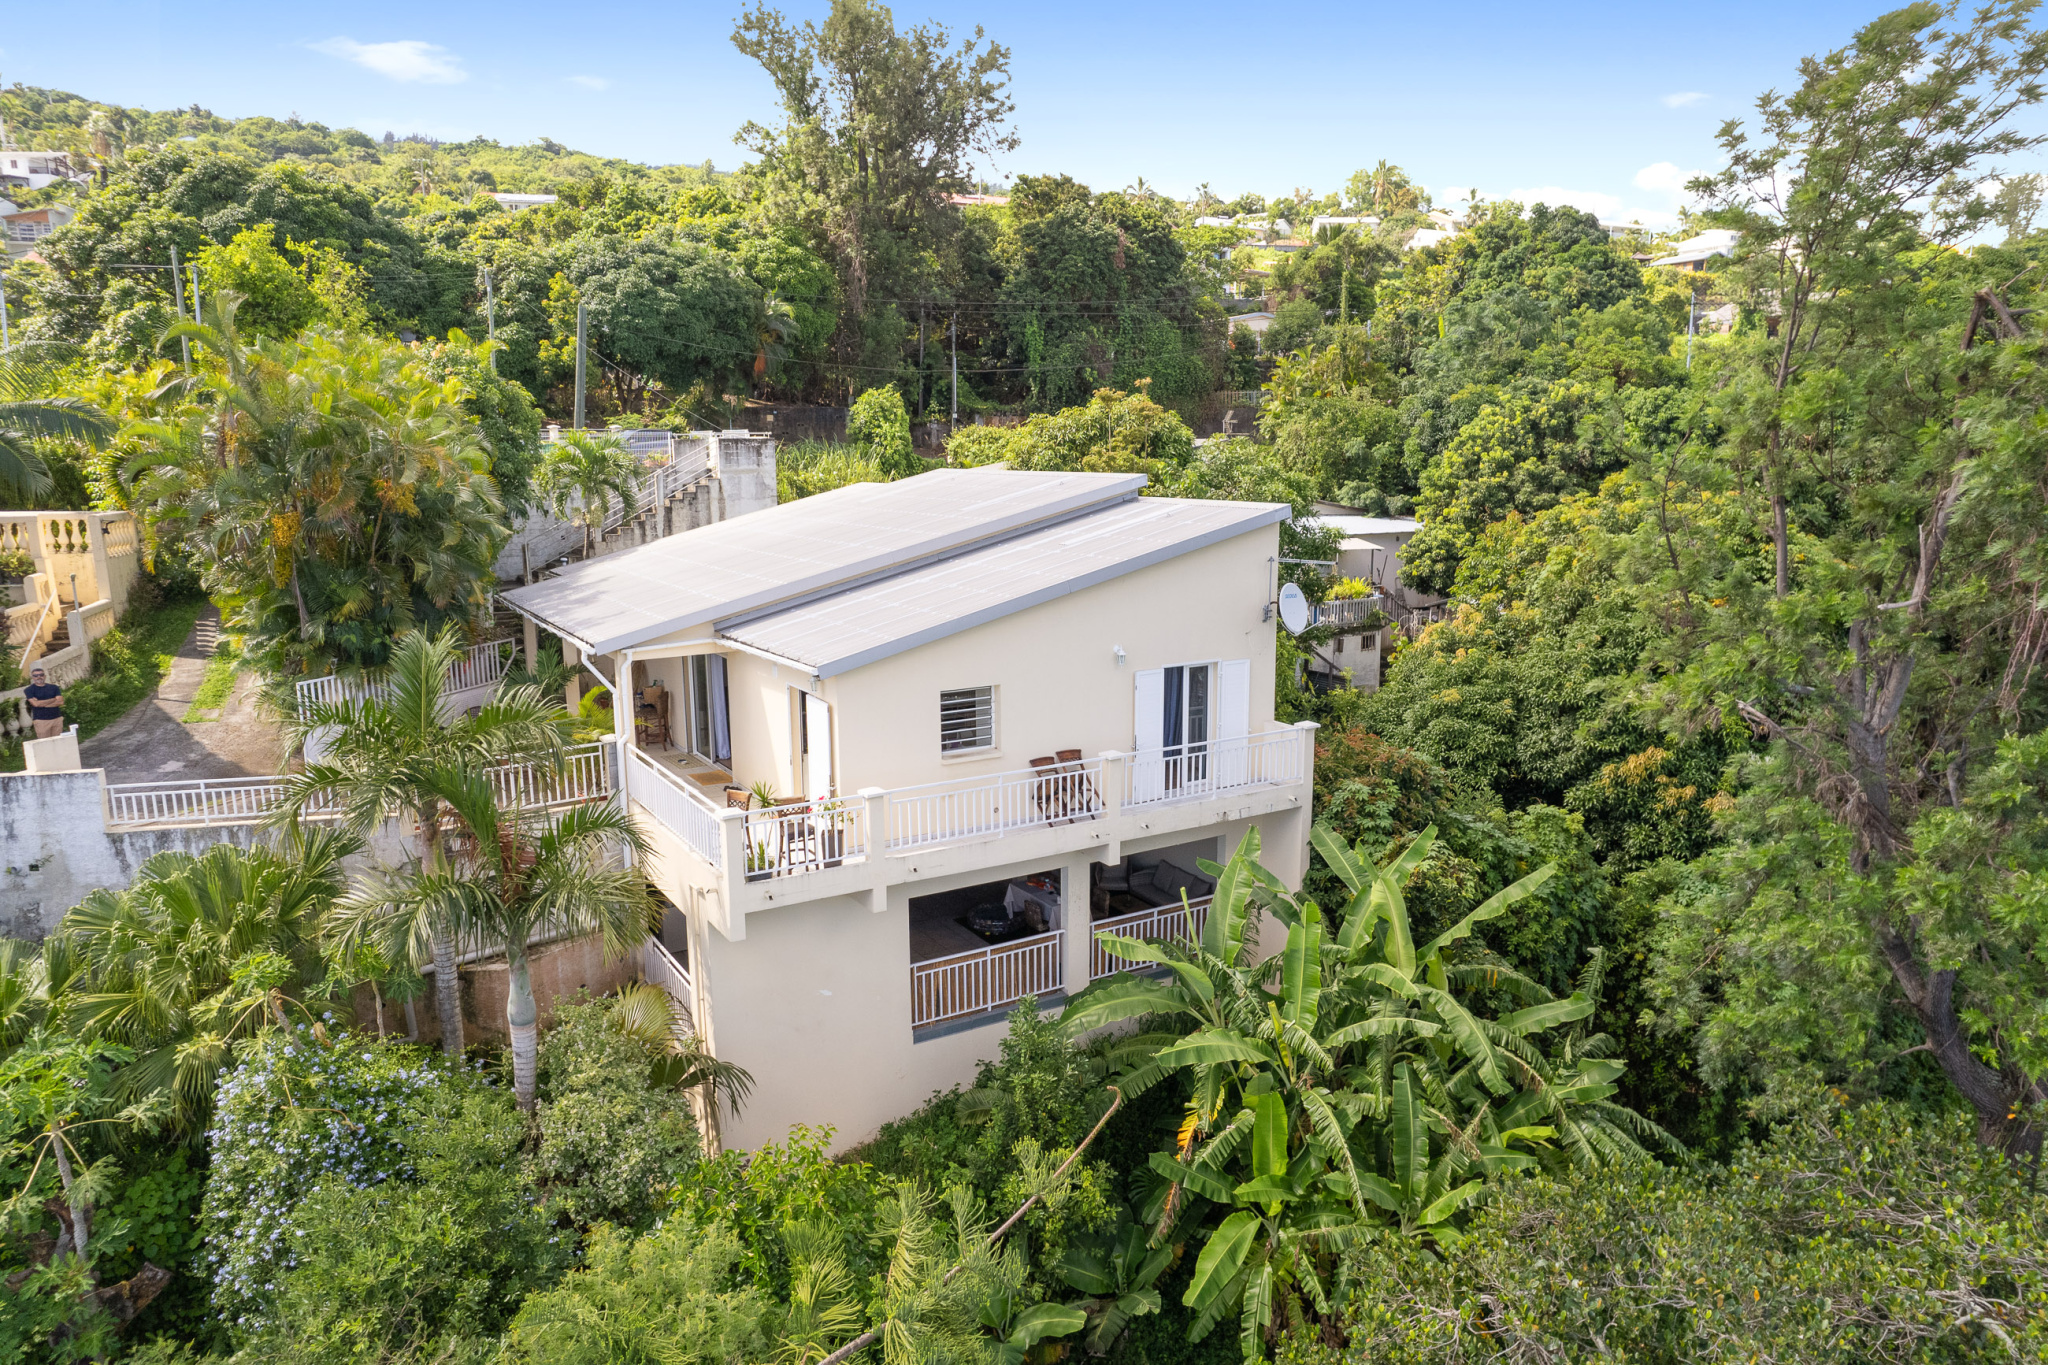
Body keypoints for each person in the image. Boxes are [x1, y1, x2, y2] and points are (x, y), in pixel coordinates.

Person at [23, 665, 63, 740]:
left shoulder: (54, 687)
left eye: (41, 675)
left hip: (57, 719)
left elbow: (60, 702)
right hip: (41, 721)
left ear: (45, 676)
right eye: (36, 675)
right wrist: (53, 699)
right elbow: (35, 704)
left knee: (58, 742)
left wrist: (41, 703)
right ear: (32, 677)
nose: (39, 677)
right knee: (44, 743)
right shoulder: (29, 690)